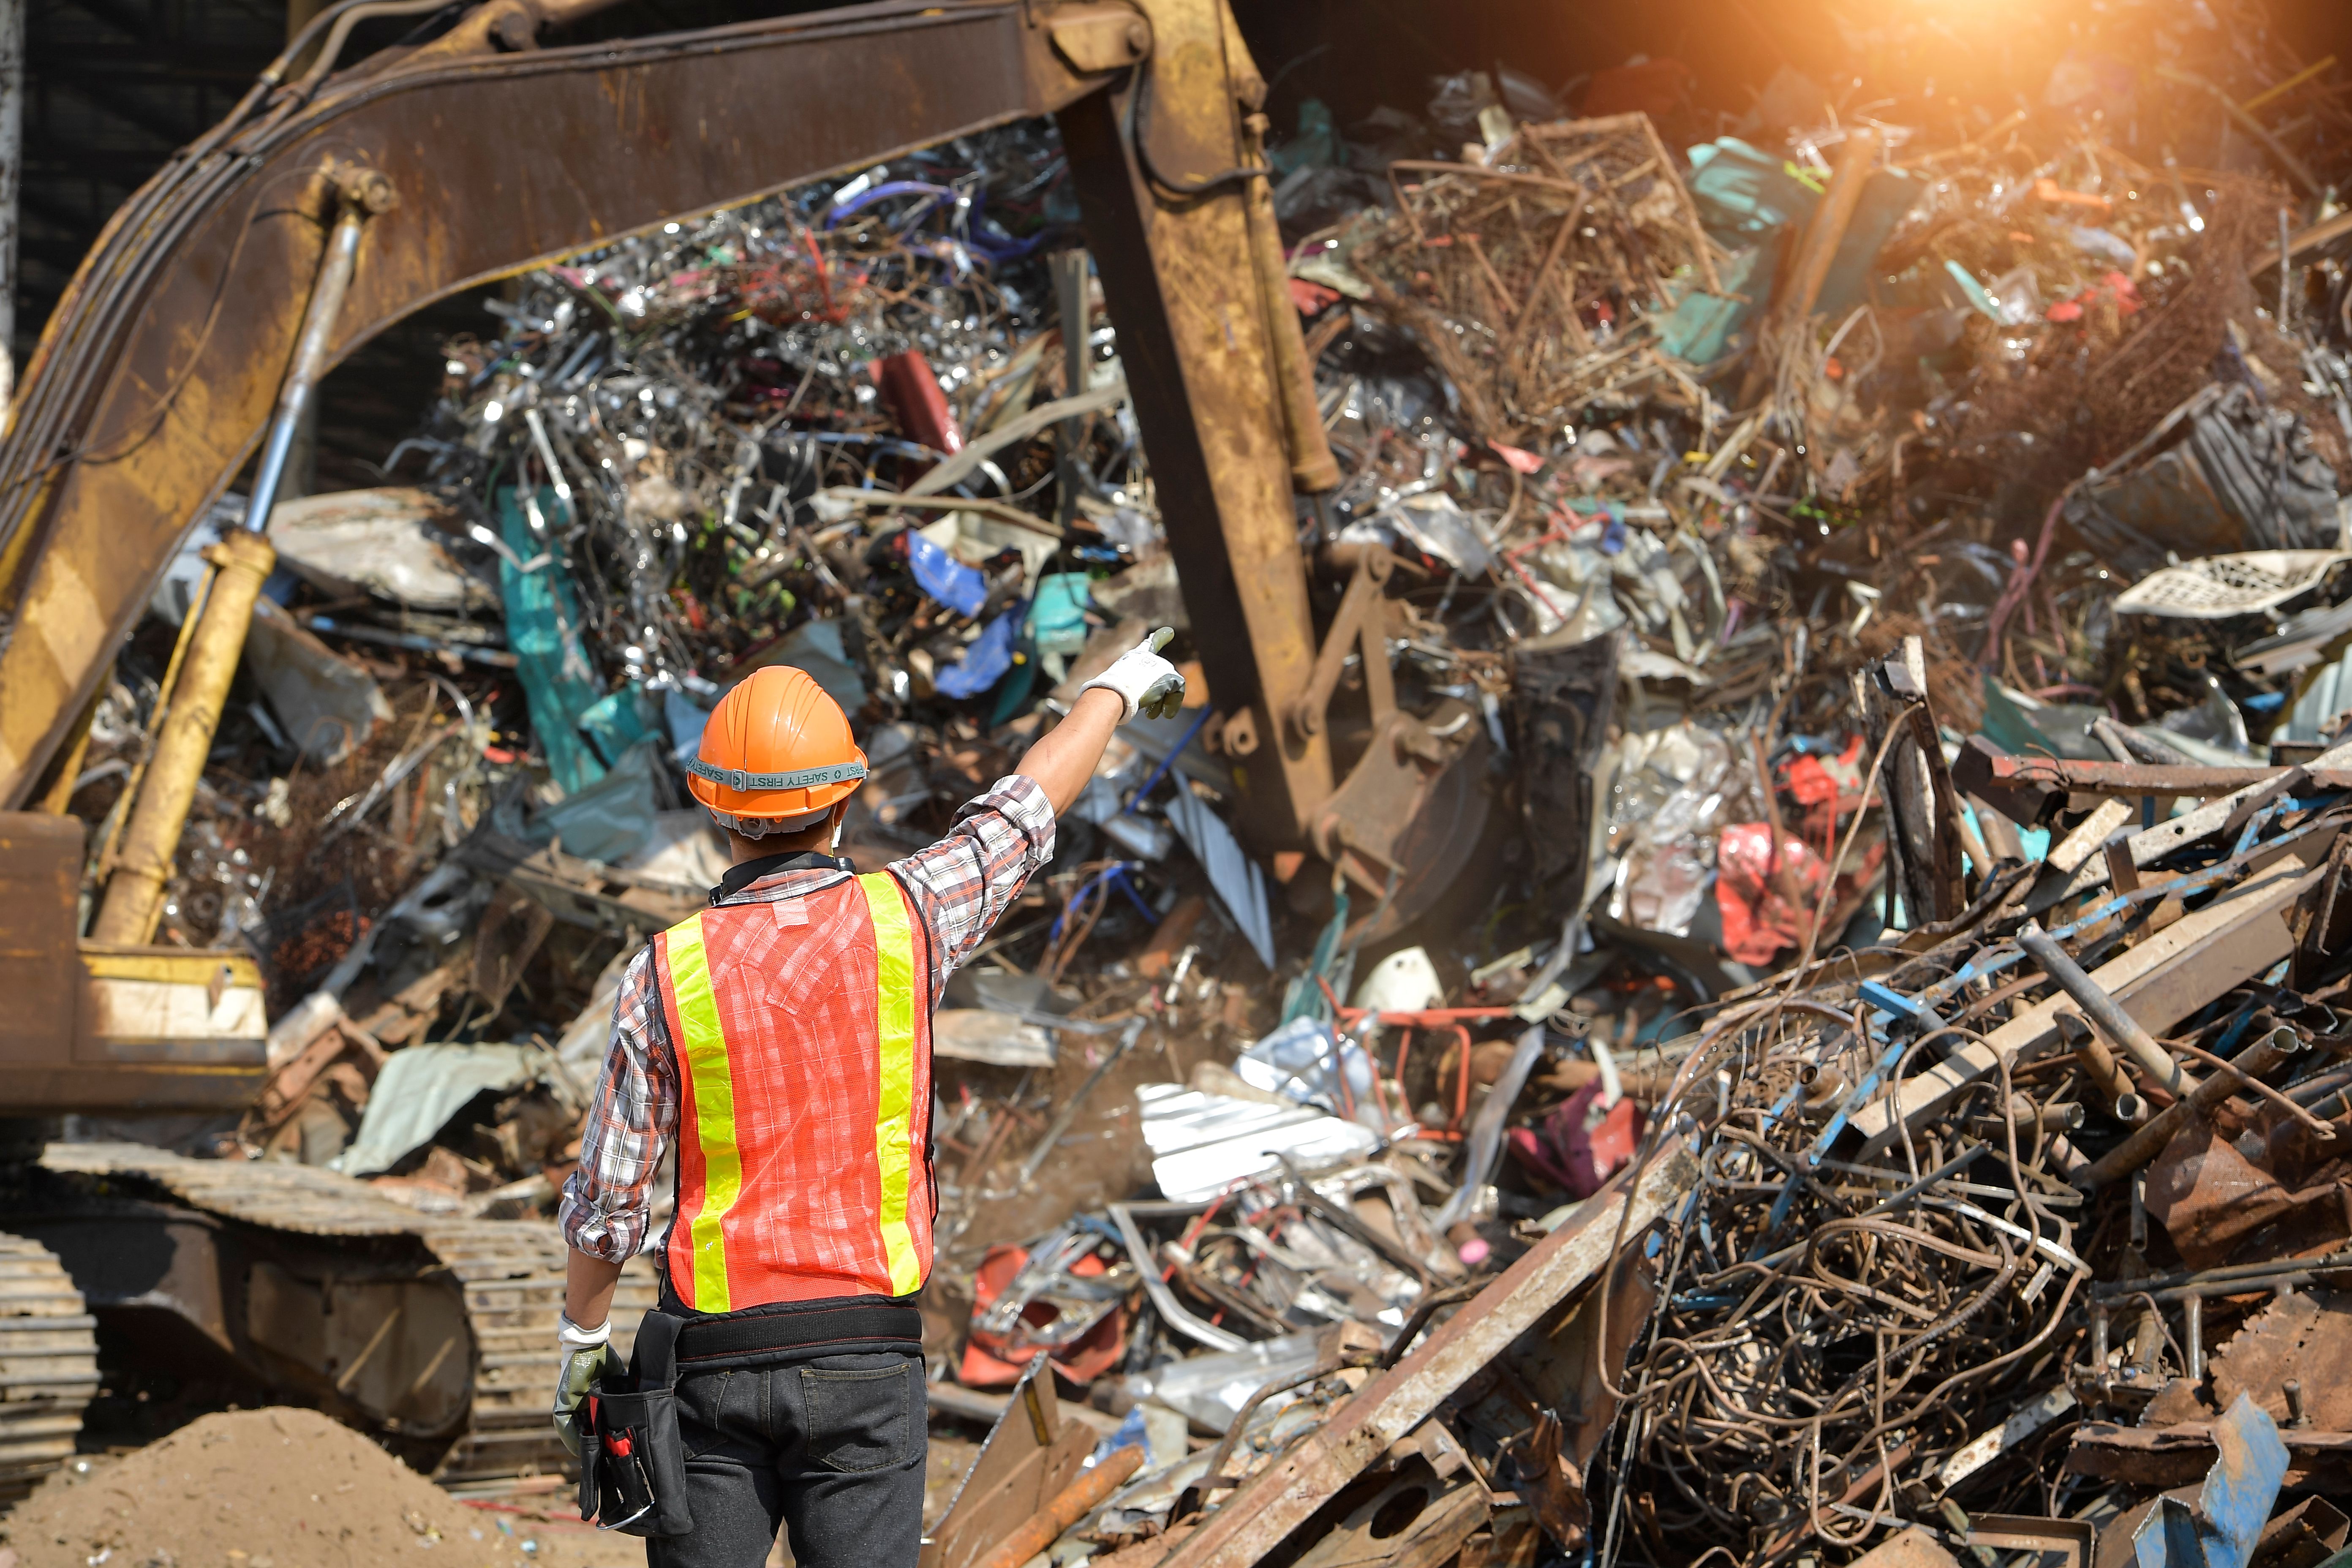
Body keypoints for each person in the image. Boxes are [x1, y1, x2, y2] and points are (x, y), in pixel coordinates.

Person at [552, 629, 1186, 1568]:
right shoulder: (910, 917)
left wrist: (584, 1339)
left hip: (710, 1366)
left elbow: (609, 1201)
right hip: (866, 1357)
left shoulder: (667, 970)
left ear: (716, 812)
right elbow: (1023, 810)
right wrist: (1115, 689)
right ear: (845, 801)